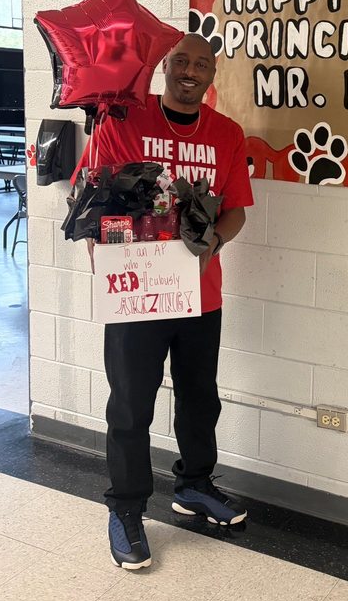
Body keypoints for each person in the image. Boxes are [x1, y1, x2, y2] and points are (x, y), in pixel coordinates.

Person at [75, 33, 253, 570]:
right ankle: (127, 509)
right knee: (130, 404)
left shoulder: (225, 134)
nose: (191, 71)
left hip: (201, 294)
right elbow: (86, 192)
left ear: (212, 73)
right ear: (164, 66)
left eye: (202, 63)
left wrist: (211, 243)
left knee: (201, 398)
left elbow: (238, 209)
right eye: (181, 61)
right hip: (136, 295)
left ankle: (194, 486)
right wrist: (104, 249)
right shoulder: (122, 120)